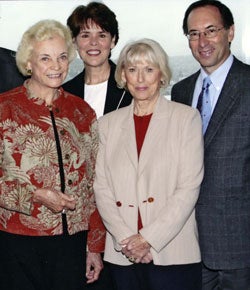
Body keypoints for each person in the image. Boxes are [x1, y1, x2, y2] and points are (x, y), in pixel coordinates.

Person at [0, 19, 105, 290]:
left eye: (61, 57)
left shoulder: (82, 113)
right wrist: (34, 194)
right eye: (45, 58)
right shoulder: (5, 108)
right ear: (29, 63)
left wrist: (94, 246)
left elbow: (95, 182)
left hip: (71, 244)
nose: (56, 66)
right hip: (16, 242)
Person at [94, 38, 204, 290]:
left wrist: (148, 239)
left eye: (149, 69)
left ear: (162, 74)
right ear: (123, 75)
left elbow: (188, 188)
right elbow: (102, 189)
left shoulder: (185, 118)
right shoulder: (106, 125)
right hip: (123, 255)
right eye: (132, 70)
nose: (141, 78)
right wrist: (128, 242)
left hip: (173, 252)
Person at [171, 1, 250, 289]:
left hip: (240, 249)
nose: (202, 42)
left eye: (210, 30)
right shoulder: (180, 91)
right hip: (187, 246)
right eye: (193, 34)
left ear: (230, 32)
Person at [62, 1, 132, 119]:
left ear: (113, 41)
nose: (93, 42)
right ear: (74, 41)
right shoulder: (65, 93)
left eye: (101, 35)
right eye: (85, 35)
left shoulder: (131, 86)